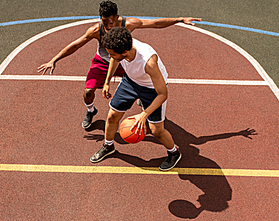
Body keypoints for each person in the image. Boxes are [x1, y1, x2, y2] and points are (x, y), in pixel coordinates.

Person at [37, 0, 200, 129]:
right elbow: (76, 44)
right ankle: (91, 110)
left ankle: (143, 101)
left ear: (117, 17)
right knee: (88, 91)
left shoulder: (129, 24)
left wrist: (180, 19)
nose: (108, 26)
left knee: (138, 81)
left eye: (111, 22)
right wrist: (54, 59)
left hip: (124, 60)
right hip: (102, 62)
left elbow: (156, 23)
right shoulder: (96, 30)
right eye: (104, 22)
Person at [90, 27, 181, 171]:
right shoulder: (119, 50)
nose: (110, 56)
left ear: (125, 52)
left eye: (112, 54)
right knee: (112, 115)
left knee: (156, 130)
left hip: (152, 89)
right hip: (130, 82)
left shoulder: (148, 62)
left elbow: (163, 94)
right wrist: (107, 81)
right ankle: (108, 145)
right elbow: (115, 60)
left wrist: (143, 115)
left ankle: (174, 152)